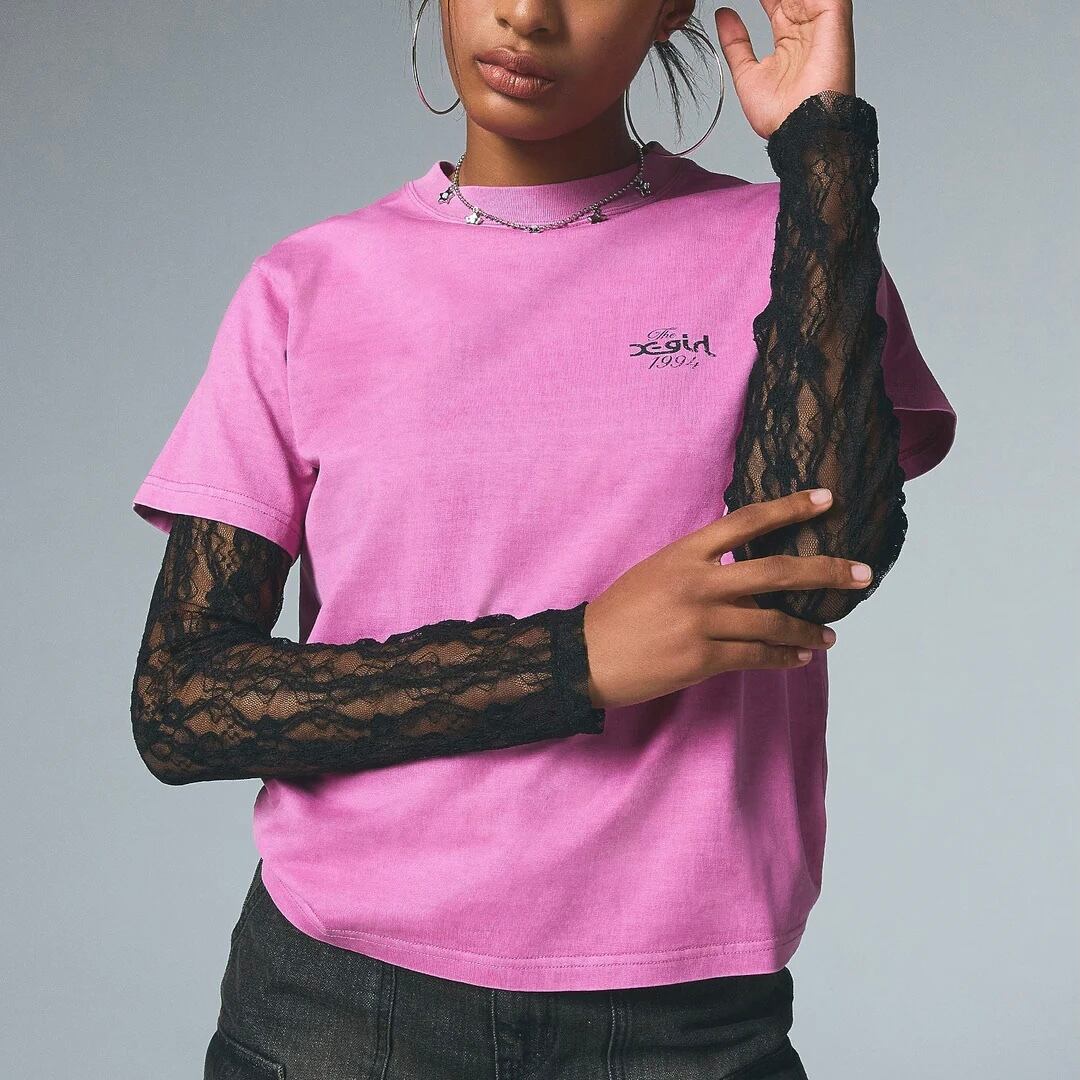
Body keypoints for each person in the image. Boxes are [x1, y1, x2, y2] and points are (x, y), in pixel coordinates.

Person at [128, 2, 957, 1077]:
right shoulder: (306, 287)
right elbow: (183, 703)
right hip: (339, 1008)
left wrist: (824, 147)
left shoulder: (786, 239)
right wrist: (576, 659)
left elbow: (816, 570)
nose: (527, 13)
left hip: (685, 1020)